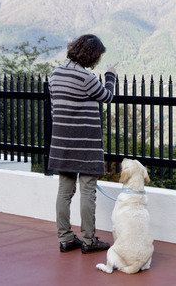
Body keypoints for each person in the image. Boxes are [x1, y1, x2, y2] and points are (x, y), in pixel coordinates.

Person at [48, 34, 118, 253]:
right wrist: (110, 76)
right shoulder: (85, 78)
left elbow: (54, 108)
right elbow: (106, 96)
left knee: (64, 192)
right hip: (85, 144)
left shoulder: (56, 73)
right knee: (88, 191)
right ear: (91, 56)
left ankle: (66, 238)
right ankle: (89, 241)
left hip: (62, 142)